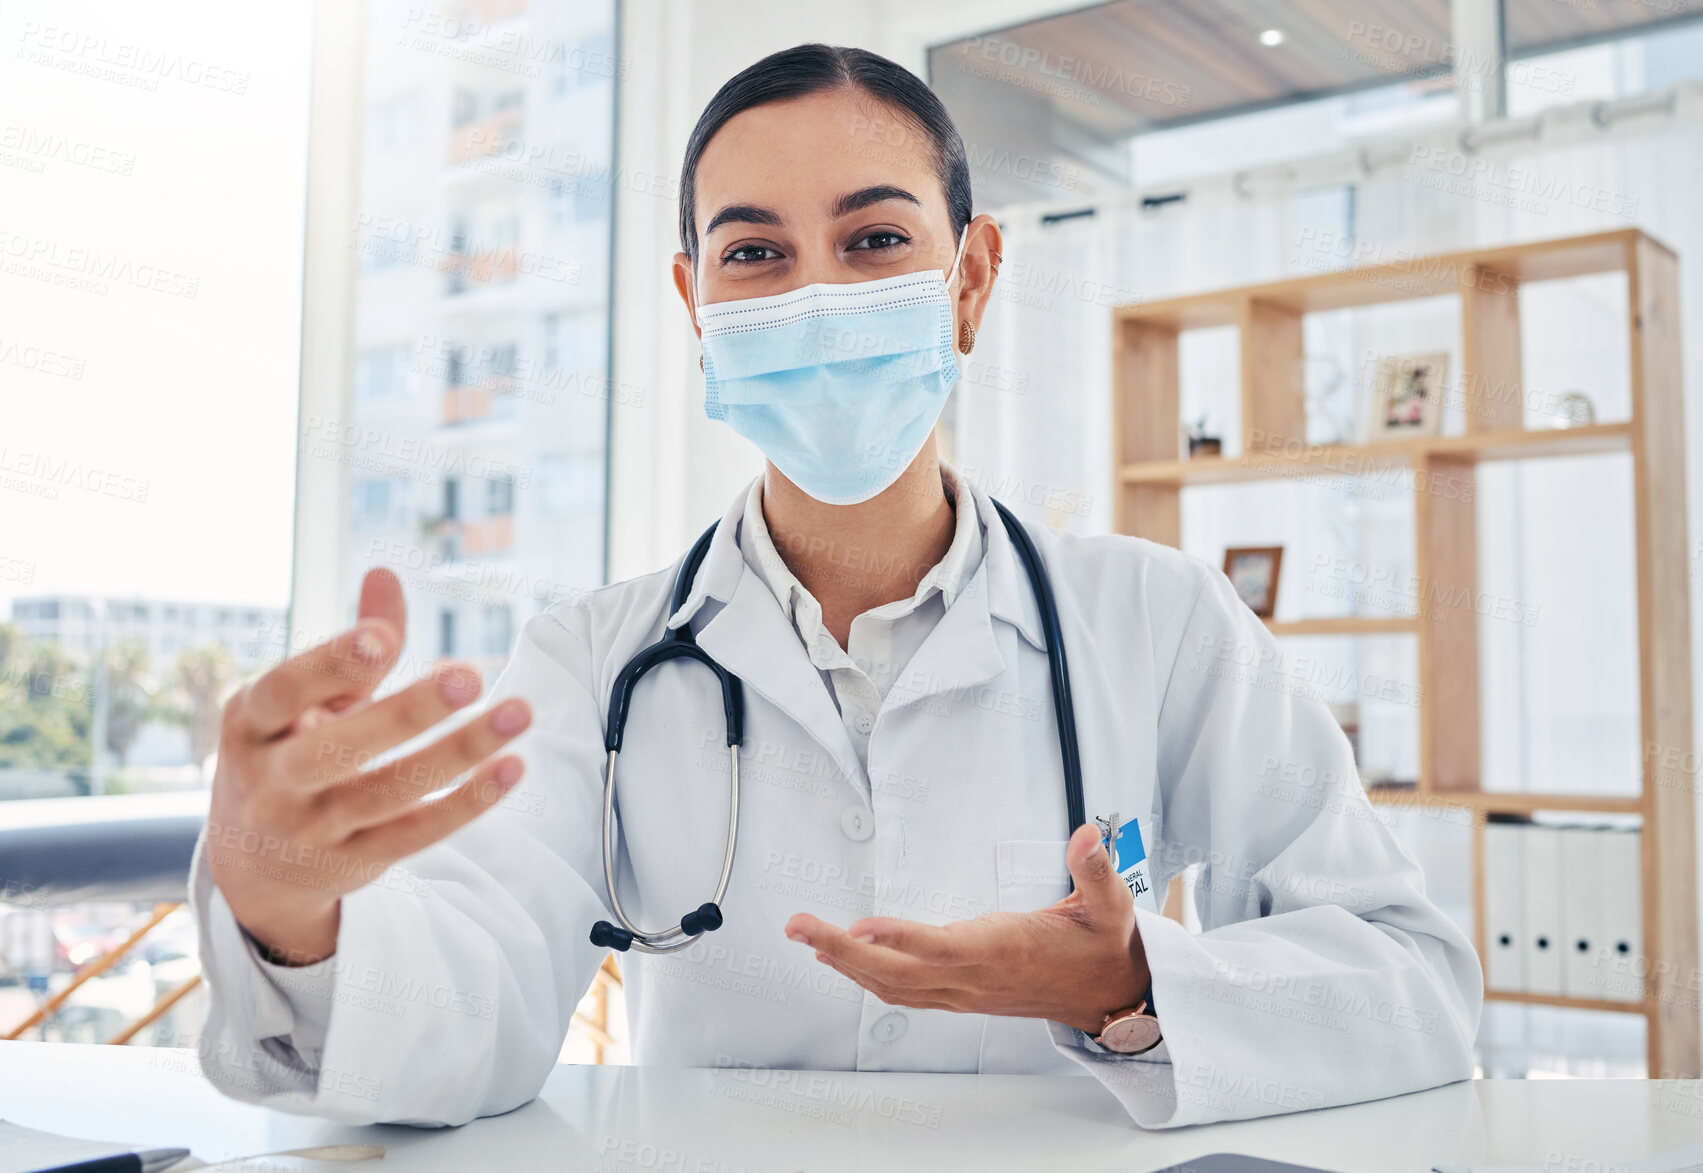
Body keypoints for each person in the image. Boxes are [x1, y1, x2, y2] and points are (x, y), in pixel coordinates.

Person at [189, 43, 1482, 1130]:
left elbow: (1415, 978)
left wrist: (1130, 984)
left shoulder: (1157, 619)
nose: (815, 297)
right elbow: (477, 990)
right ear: (697, 303)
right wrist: (294, 916)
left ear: (969, 279)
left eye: (873, 238)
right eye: (755, 256)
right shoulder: (595, 658)